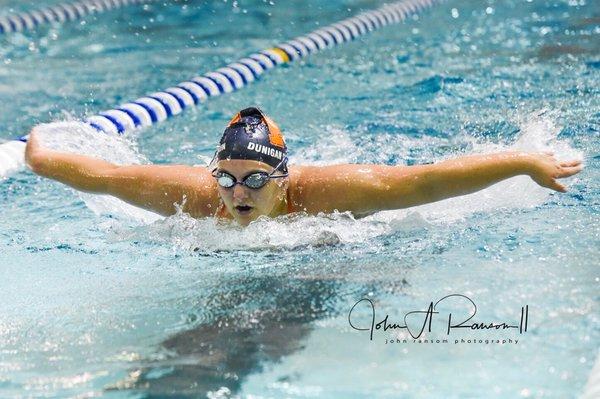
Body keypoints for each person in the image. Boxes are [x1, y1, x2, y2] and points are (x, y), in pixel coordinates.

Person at [25, 107, 583, 226]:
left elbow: (426, 180)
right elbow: (107, 177)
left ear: (284, 180)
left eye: (257, 179)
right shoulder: (196, 197)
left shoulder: (329, 195)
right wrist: (42, 159)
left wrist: (522, 160)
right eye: (227, 177)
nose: (238, 191)